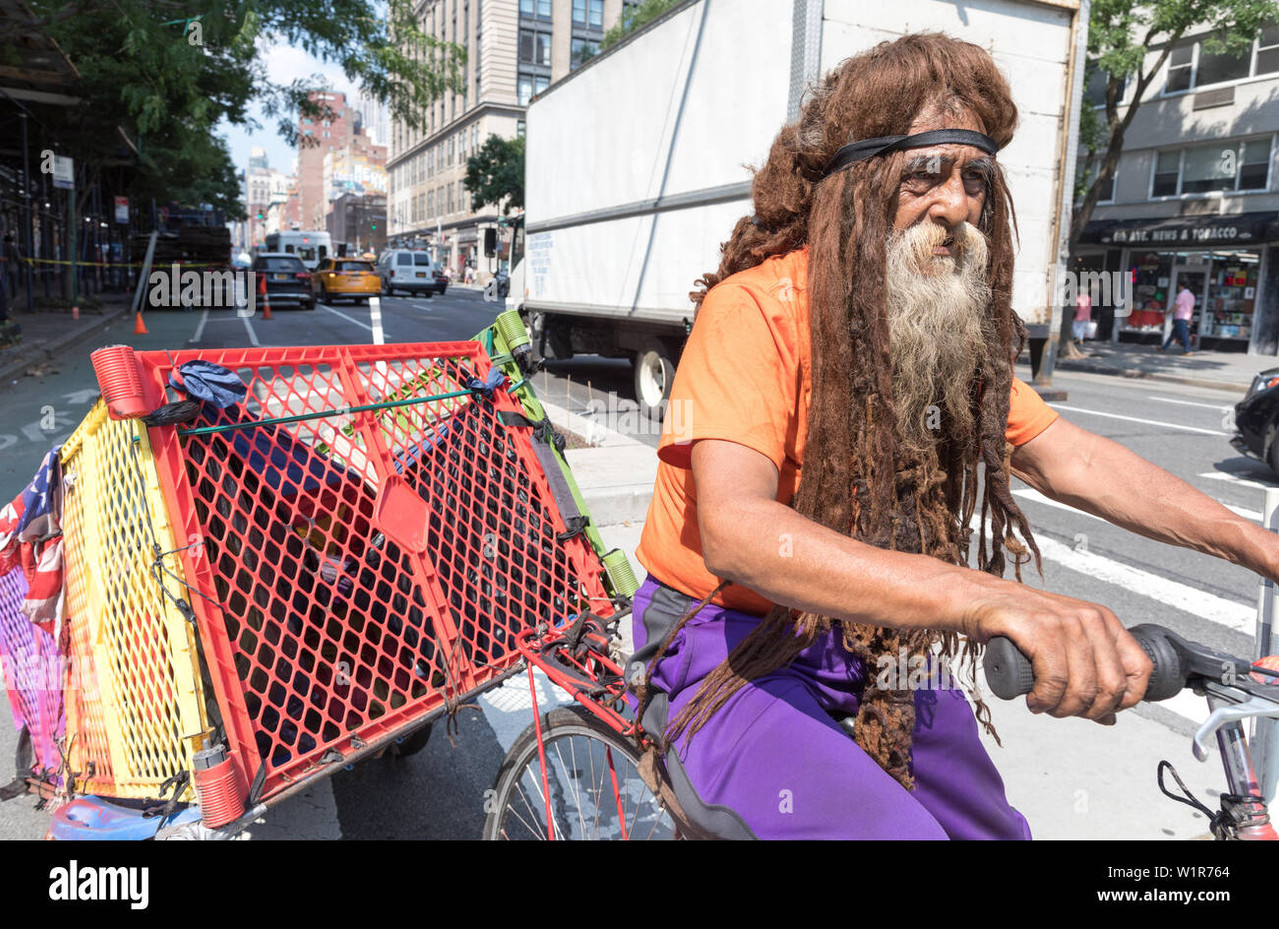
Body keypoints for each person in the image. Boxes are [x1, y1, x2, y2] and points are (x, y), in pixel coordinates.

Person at [627, 33, 1279, 840]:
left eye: (974, 177)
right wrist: (992, 597)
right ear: (856, 187)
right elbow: (735, 528)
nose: (956, 204)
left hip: (863, 633)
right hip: (723, 638)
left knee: (995, 830)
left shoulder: (936, 329)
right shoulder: (754, 309)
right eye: (923, 173)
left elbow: (1065, 455)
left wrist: (1257, 546)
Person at [1160, 283, 1195, 355]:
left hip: (1180, 316)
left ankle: (1188, 350)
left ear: (1182, 286)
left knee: (1184, 334)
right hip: (1186, 316)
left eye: (1179, 286)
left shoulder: (1181, 295)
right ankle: (1164, 348)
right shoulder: (1192, 296)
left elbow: (1176, 305)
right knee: (1173, 334)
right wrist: (1190, 318)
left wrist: (1168, 313)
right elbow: (1191, 308)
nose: (1178, 288)